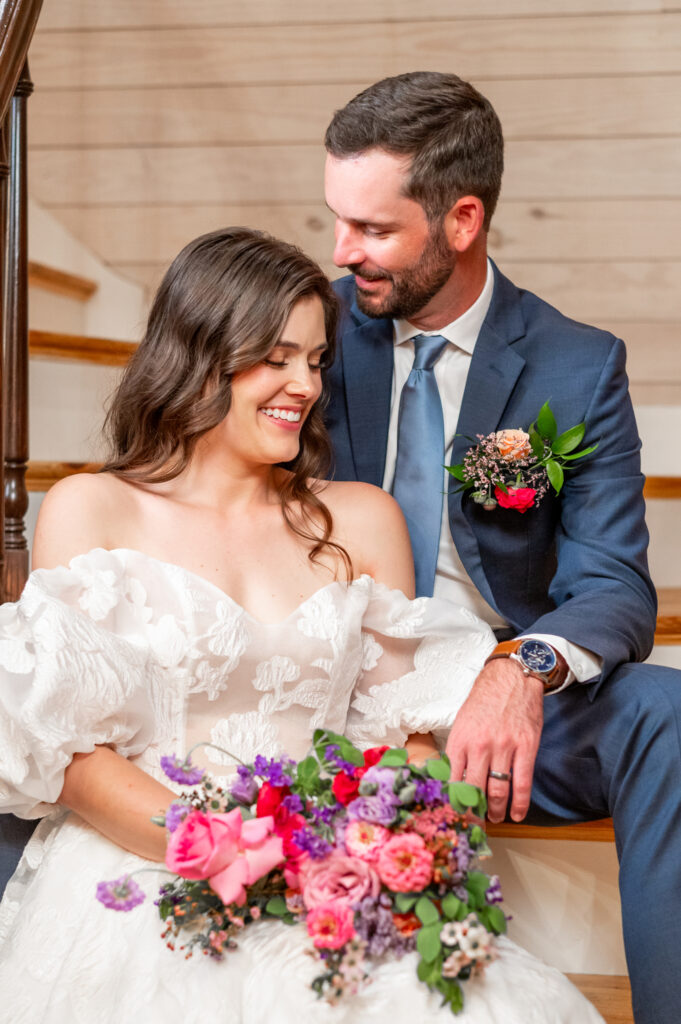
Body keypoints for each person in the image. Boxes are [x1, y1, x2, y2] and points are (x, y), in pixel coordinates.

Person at [0, 227, 603, 1022]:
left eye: (316, 361)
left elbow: (403, 735)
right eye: (277, 358)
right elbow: (75, 758)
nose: (305, 385)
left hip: (334, 873)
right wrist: (233, 854)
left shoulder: (360, 519)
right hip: (151, 864)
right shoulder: (92, 508)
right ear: (199, 353)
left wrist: (404, 841)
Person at [322, 71, 681, 1024]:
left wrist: (520, 668)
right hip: (328, 686)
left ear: (462, 219)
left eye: (372, 228)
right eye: (336, 220)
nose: (341, 251)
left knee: (666, 712)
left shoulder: (576, 363)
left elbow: (614, 584)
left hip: (495, 712)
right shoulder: (308, 330)